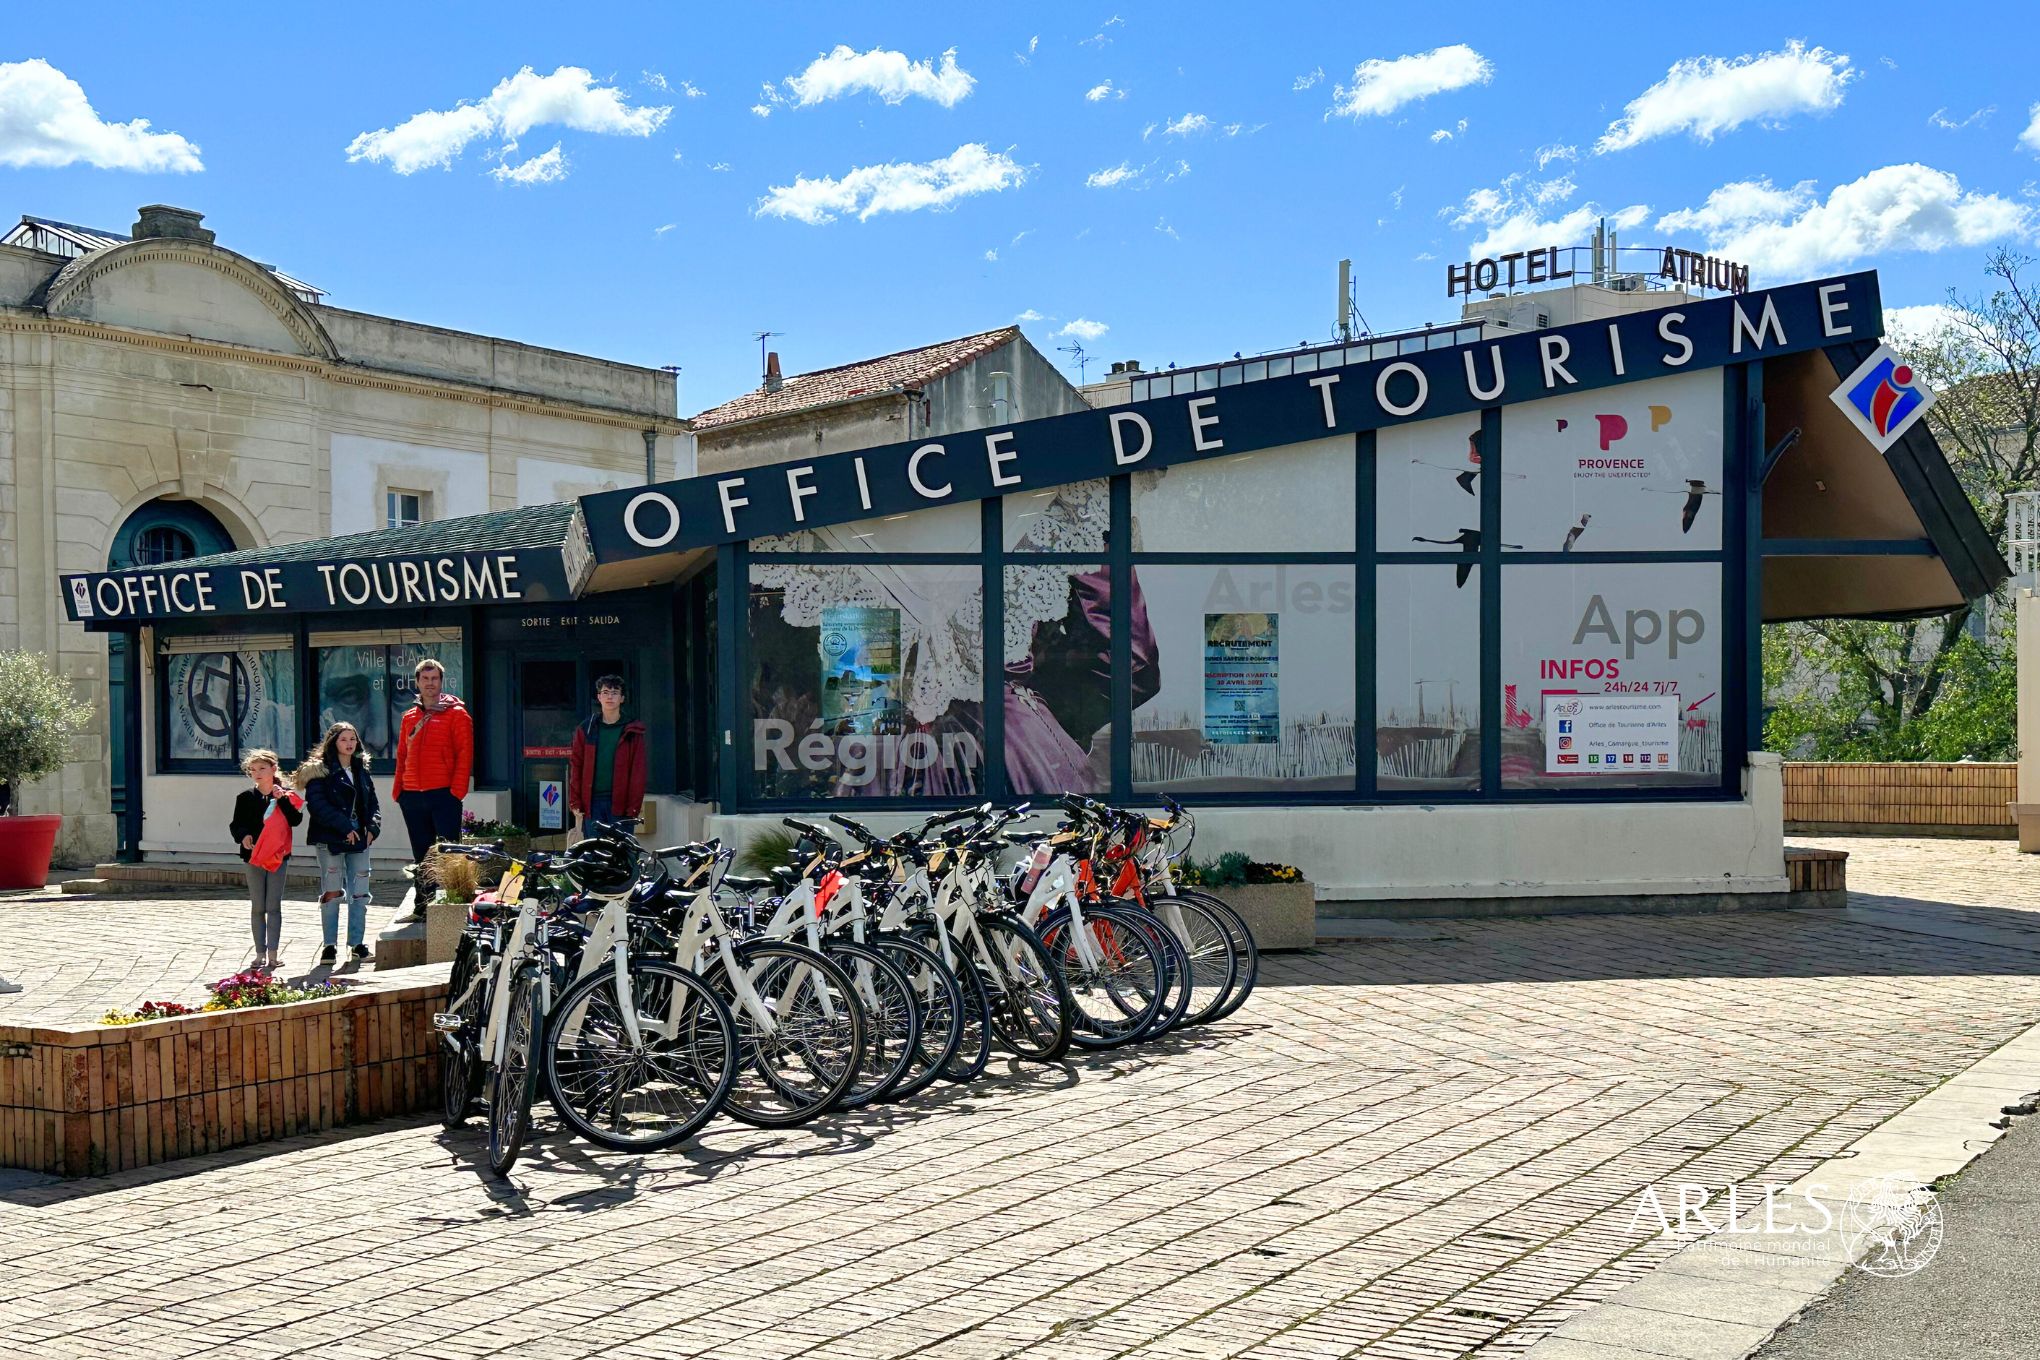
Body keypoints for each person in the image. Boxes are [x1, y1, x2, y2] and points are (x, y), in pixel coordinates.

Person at [390, 658, 472, 912]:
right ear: (417, 682)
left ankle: (455, 903)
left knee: (451, 854)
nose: (430, 683)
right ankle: (423, 906)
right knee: (422, 854)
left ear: (441, 681)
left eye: (434, 678)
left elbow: (465, 754)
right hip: (412, 795)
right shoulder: (409, 716)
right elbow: (402, 754)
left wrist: (456, 792)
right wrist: (399, 790)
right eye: (425, 679)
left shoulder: (457, 714)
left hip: (443, 794)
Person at [298, 720, 381, 965]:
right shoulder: (319, 772)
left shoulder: (361, 770)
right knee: (332, 892)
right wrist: (345, 827)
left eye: (352, 739)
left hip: (360, 839)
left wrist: (373, 828)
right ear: (333, 742)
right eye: (344, 739)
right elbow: (318, 806)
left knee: (360, 893)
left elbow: (373, 803)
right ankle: (329, 946)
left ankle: (357, 944)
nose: (349, 744)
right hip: (330, 839)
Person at [229, 749, 301, 971]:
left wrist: (283, 801)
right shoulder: (245, 798)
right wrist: (243, 836)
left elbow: (295, 820)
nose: (257, 773)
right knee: (257, 906)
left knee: (274, 906)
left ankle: (273, 954)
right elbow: (236, 825)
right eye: (253, 769)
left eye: (262, 768)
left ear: (273, 769)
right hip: (253, 857)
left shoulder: (285, 795)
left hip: (278, 856)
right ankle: (259, 953)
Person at [569, 674, 647, 837]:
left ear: (622, 698)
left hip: (621, 803)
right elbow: (577, 765)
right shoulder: (586, 729)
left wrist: (634, 806)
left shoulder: (632, 730)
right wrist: (575, 800)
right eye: (605, 692)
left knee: (622, 854)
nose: (609, 696)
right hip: (592, 802)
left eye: (614, 692)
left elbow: (638, 771)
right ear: (598, 697)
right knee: (595, 854)